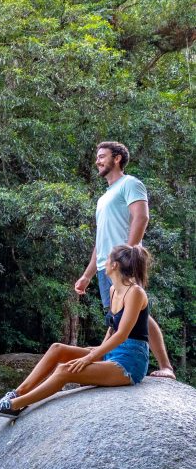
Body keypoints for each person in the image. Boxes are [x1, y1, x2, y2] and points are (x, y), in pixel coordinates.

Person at [0, 244, 152, 419]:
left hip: (129, 363)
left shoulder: (135, 293)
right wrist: (98, 350)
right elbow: (113, 327)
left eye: (107, 259)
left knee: (64, 370)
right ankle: (16, 394)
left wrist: (89, 357)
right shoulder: (114, 290)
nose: (104, 262)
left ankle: (15, 406)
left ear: (114, 265)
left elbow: (122, 334)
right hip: (113, 352)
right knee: (57, 349)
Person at [74, 140, 175, 379]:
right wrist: (88, 274)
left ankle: (166, 367)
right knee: (116, 317)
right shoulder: (103, 197)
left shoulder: (130, 184)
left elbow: (141, 217)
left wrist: (127, 254)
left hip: (124, 263)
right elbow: (100, 240)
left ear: (117, 158)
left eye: (102, 156)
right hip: (105, 267)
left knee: (140, 315)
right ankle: (106, 357)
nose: (97, 161)